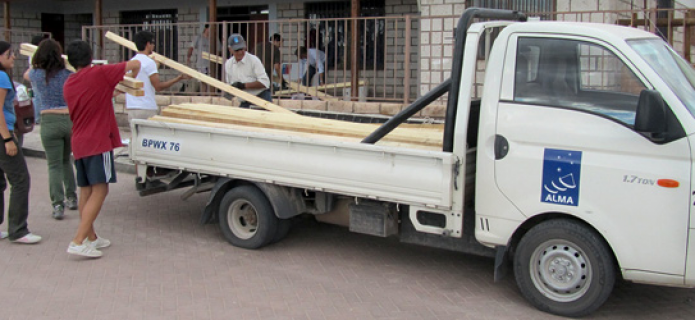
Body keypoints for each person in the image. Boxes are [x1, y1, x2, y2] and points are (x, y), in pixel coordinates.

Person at [63, 40, 141, 258]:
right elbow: (133, 65)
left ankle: (91, 237)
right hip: (98, 141)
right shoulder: (100, 73)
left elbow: (96, 97)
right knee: (101, 190)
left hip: (79, 142)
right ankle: (78, 240)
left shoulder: (70, 83)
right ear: (91, 57)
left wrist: (113, 90)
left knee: (86, 190)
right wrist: (137, 71)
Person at [23, 39, 78, 220]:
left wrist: (37, 61)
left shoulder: (36, 75)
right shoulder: (68, 74)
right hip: (68, 120)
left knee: (53, 165)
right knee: (66, 161)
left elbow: (26, 75)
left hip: (48, 120)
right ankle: (72, 197)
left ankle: (57, 204)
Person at [0, 41, 42, 244]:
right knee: (20, 180)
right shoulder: (1, 77)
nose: (13, 58)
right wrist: (8, 138)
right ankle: (18, 230)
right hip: (3, 134)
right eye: (9, 54)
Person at [126, 30, 188, 123]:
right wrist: (178, 78)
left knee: (135, 136)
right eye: (152, 43)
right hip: (145, 107)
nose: (153, 46)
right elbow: (158, 87)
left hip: (131, 107)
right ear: (147, 44)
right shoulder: (149, 63)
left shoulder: (131, 62)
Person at [224, 33, 272, 109]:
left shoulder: (253, 60)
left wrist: (244, 85)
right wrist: (231, 90)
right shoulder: (229, 64)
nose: (240, 52)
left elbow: (265, 82)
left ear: (245, 45)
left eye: (241, 49)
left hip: (261, 99)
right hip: (245, 101)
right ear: (230, 49)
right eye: (237, 50)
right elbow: (230, 84)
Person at [186, 24, 220, 93]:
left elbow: (219, 50)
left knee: (211, 81)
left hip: (211, 64)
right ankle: (203, 96)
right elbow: (191, 48)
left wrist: (216, 58)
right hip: (201, 64)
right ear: (206, 29)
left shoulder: (214, 38)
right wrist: (188, 57)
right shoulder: (199, 37)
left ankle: (211, 95)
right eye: (210, 29)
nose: (212, 31)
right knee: (203, 81)